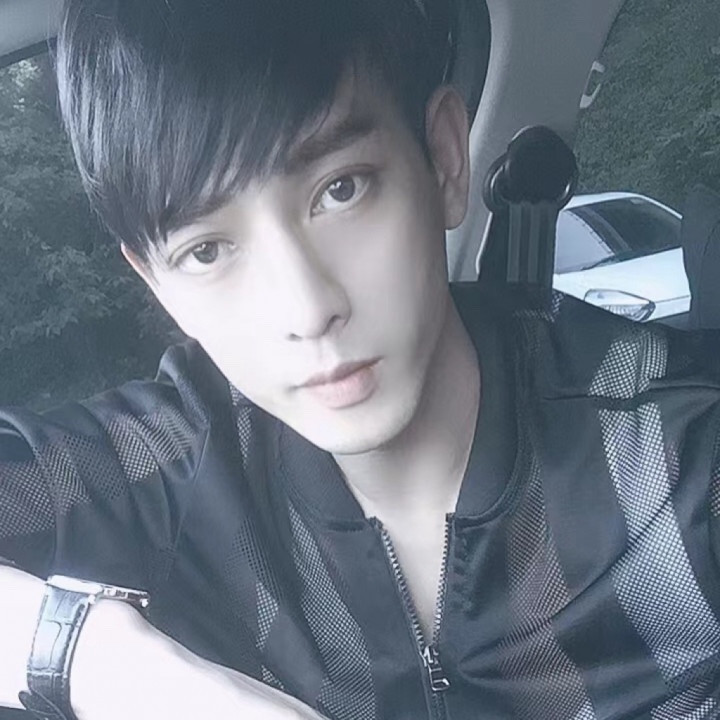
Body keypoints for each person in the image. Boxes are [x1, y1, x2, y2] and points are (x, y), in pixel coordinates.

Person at [1, 0, 720, 718]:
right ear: (159, 287)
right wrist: (107, 663)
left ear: (443, 160)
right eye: (207, 251)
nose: (307, 310)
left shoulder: (681, 454)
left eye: (340, 190)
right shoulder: (175, 458)